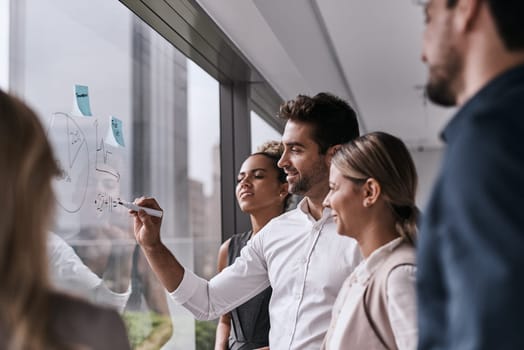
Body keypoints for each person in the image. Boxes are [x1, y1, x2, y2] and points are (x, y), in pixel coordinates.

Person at [132, 92, 362, 349]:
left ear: (334, 154)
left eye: (296, 149)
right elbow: (207, 301)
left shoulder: (367, 233)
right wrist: (153, 246)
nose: (284, 161)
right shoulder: (276, 233)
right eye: (284, 148)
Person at [417, 0, 524, 349]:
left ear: (465, 9)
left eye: (429, 19)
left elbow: (492, 329)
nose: (423, 52)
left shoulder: (489, 138)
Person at [0, 89, 131, 350]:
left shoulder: (57, 249)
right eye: (92, 183)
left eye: (108, 184)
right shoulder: (59, 250)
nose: (99, 192)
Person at [322, 132, 418, 350]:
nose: (327, 201)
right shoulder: (362, 276)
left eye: (333, 188)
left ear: (370, 192)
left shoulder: (400, 275)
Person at [214, 141, 289, 350]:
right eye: (241, 178)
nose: (245, 183)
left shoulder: (295, 245)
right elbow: (225, 319)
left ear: (283, 189)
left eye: (257, 176)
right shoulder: (228, 249)